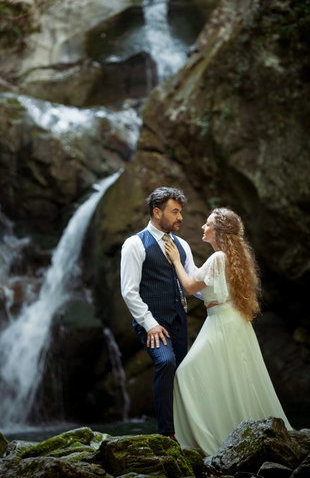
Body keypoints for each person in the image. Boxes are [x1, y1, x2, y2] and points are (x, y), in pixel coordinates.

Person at [164, 207, 292, 455]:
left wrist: (176, 261)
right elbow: (204, 289)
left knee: (186, 374)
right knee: (231, 379)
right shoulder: (229, 258)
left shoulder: (218, 258)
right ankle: (227, 433)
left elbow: (190, 287)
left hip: (222, 322)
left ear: (219, 231)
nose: (203, 227)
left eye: (208, 224)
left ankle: (206, 439)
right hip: (231, 320)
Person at [120, 186, 198, 438]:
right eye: (174, 212)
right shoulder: (135, 244)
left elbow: (192, 282)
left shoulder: (182, 245)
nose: (180, 217)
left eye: (180, 212)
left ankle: (186, 431)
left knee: (183, 373)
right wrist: (150, 324)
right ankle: (167, 433)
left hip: (179, 320)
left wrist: (220, 298)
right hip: (152, 323)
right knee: (166, 362)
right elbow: (129, 291)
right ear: (157, 212)